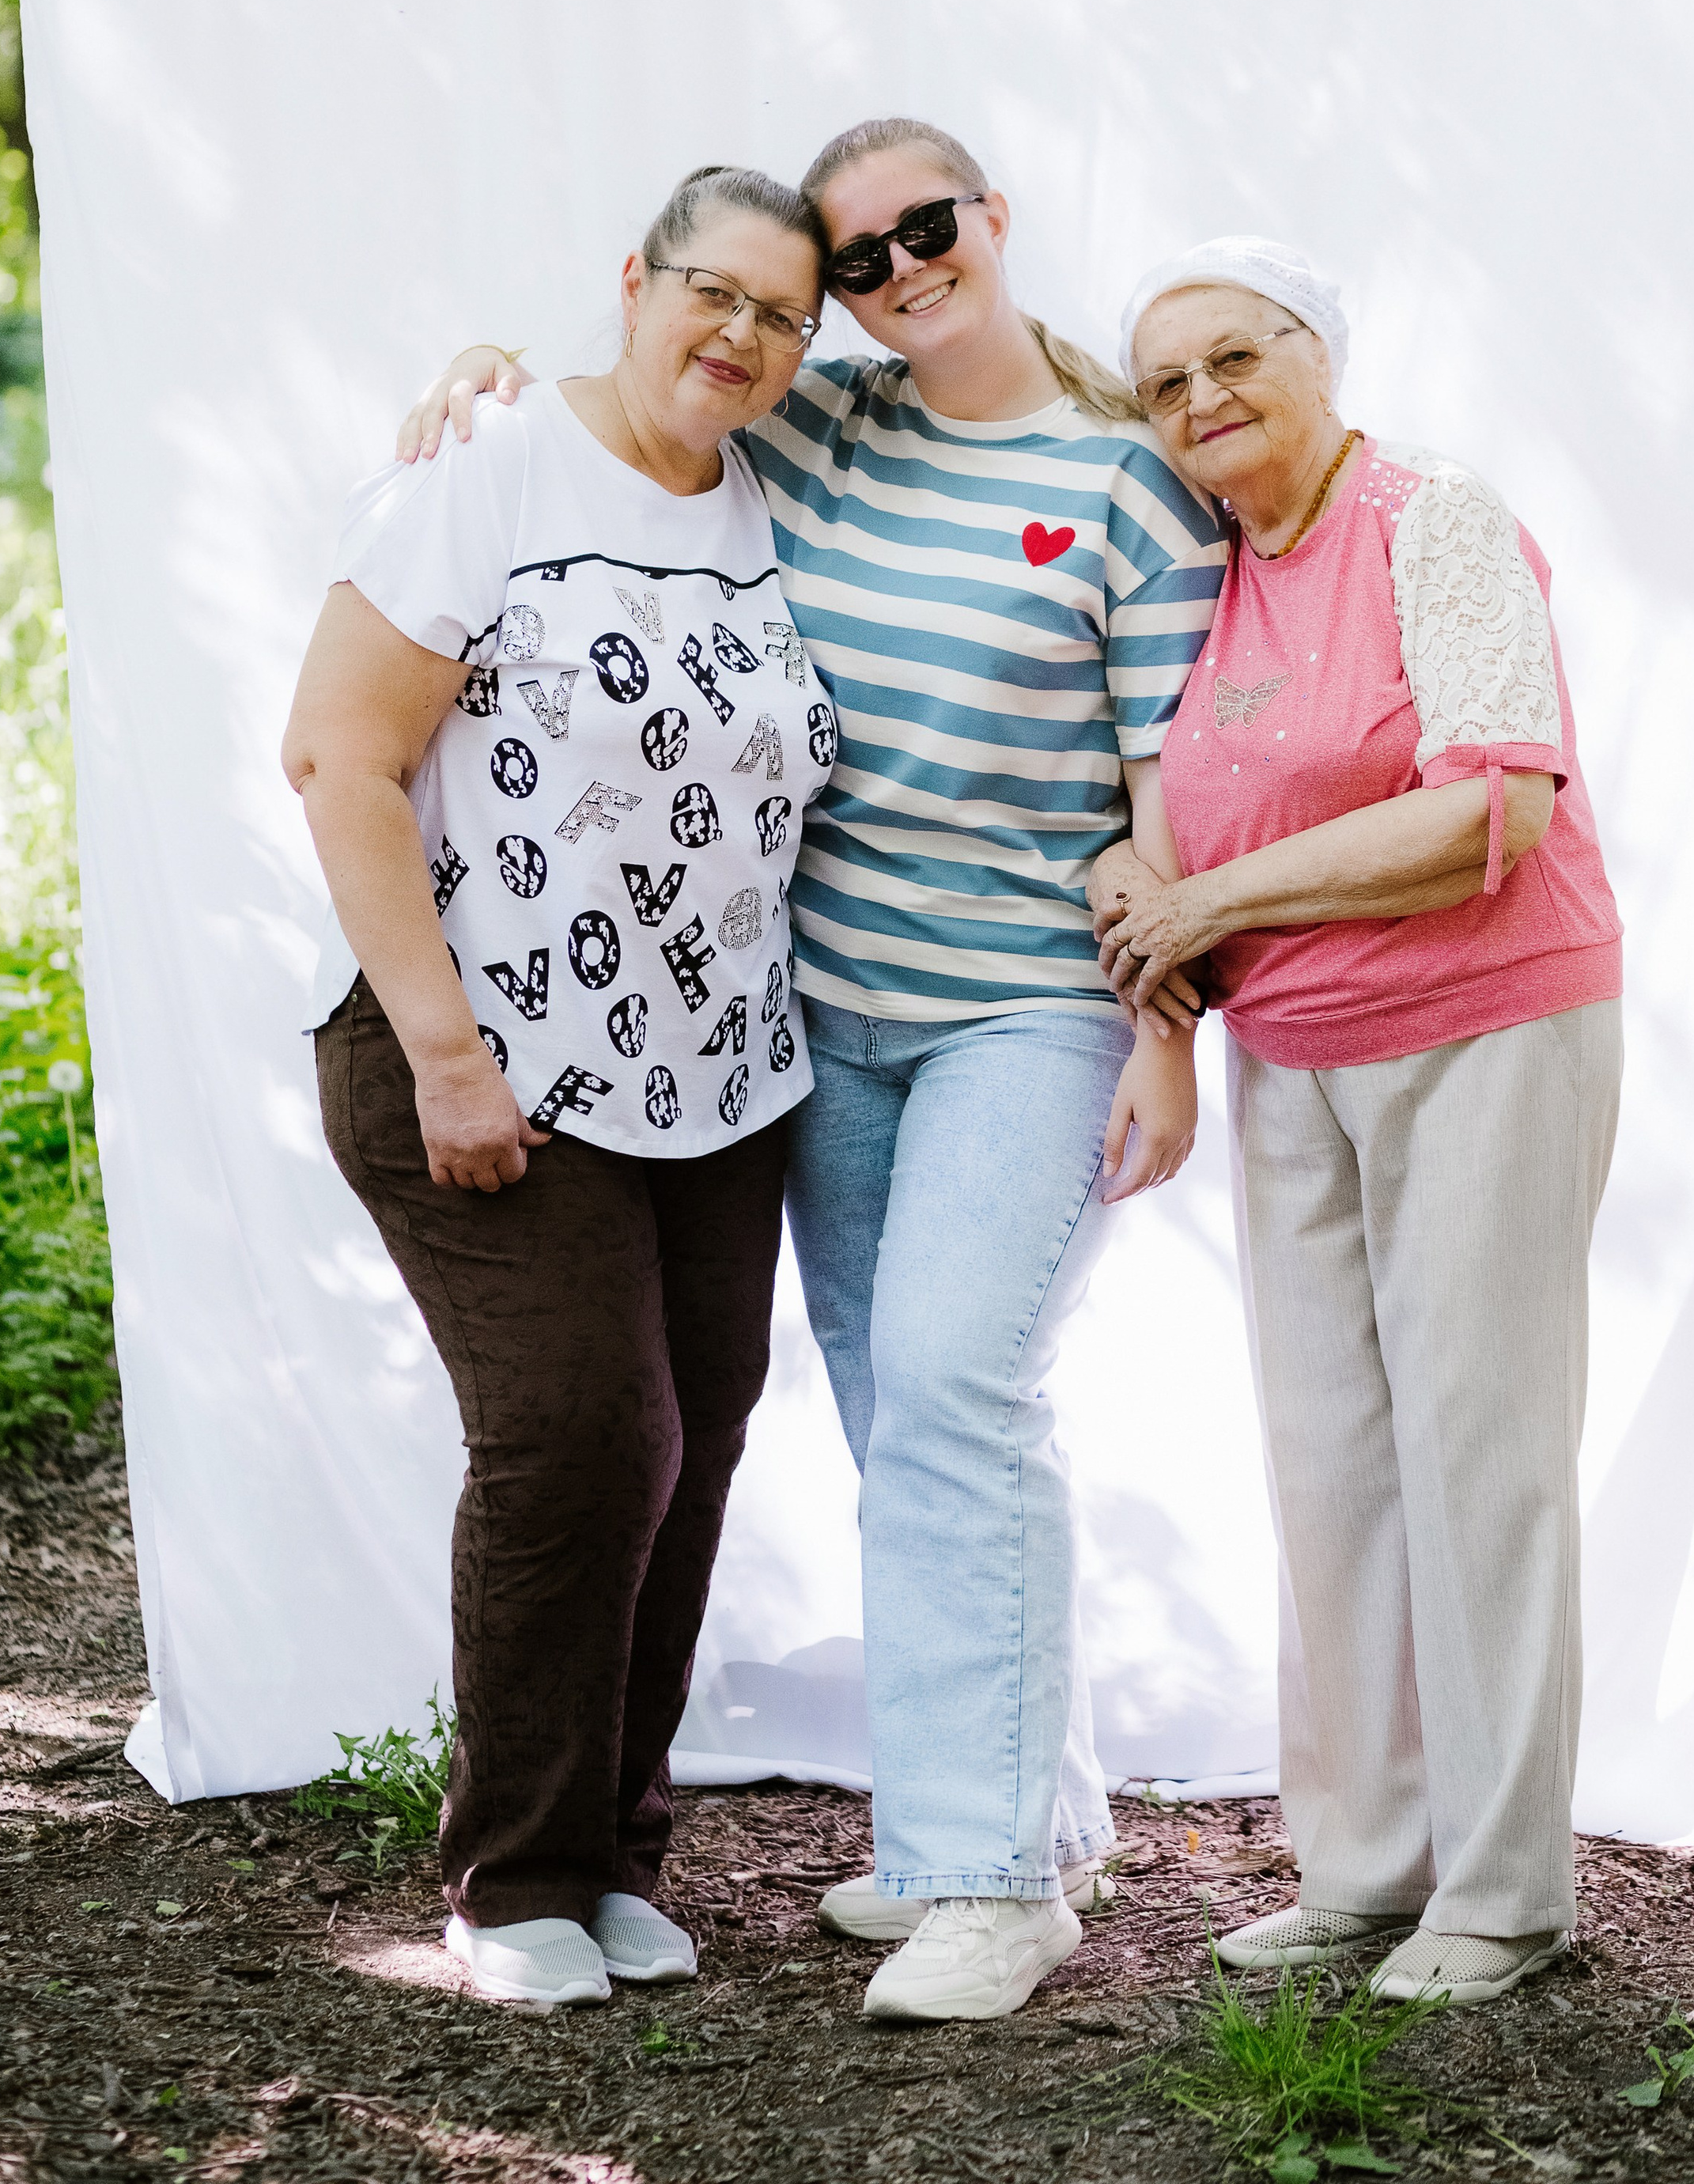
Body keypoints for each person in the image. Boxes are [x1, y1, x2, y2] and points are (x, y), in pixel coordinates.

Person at [402, 118, 1226, 2026]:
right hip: (816, 1018)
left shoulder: (1125, 478)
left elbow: (1171, 794)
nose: (896, 271)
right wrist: (483, 378)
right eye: (855, 262)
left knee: (952, 1394)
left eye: (926, 229)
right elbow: (642, 415)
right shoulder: (817, 426)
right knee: (910, 1414)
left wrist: (1170, 1035)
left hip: (1028, 1010)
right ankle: (1033, 1814)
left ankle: (986, 1882)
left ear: (993, 220)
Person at [283, 165, 838, 2012]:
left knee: (687, 1454)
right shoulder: (491, 467)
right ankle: (512, 1876)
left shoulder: (774, 489)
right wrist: (444, 1053)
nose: (738, 334)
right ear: (634, 279)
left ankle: (611, 1853)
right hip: (482, 1059)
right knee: (585, 1439)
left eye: (780, 313)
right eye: (711, 291)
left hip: (717, 1083)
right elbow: (339, 754)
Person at [1091, 237, 1624, 2013]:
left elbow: (1490, 807)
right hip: (1291, 1053)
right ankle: (1363, 1868)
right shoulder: (1209, 570)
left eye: (1236, 357)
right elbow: (1158, 808)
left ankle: (1502, 1891)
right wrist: (1142, 897)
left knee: (1480, 1452)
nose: (1202, 399)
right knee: (1327, 1460)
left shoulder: (1430, 519)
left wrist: (1209, 899)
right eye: (1166, 383)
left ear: (1318, 356)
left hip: (1486, 1026)